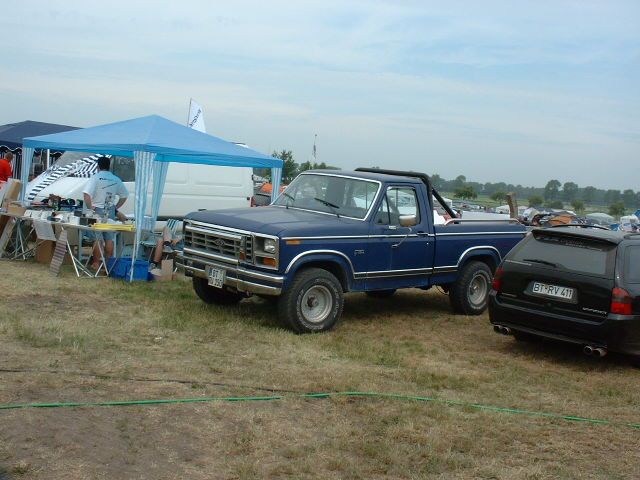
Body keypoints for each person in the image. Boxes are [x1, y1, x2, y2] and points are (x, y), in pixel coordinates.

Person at [82, 156, 129, 271]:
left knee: (97, 238)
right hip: (110, 210)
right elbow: (125, 195)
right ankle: (109, 264)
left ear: (98, 166)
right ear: (109, 166)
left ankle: (96, 263)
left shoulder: (95, 178)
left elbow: (86, 194)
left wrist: (90, 207)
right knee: (109, 238)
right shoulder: (116, 179)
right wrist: (115, 207)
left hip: (97, 210)